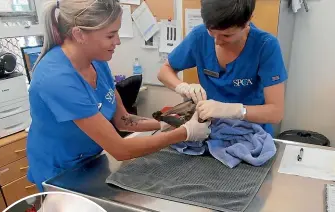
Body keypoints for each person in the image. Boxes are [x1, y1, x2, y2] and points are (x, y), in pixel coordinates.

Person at [27, 0, 211, 191]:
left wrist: (168, 123)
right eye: (110, 35)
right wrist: (185, 133)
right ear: (79, 34)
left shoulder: (97, 62)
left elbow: (123, 120)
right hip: (60, 172)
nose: (118, 41)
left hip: (91, 160)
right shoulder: (57, 78)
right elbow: (120, 150)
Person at [158, 0, 287, 135]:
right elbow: (164, 71)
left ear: (247, 21)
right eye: (211, 32)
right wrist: (183, 87)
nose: (217, 42)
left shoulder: (265, 46)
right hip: (208, 130)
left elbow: (275, 113)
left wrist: (233, 110)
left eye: (226, 35)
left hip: (251, 133)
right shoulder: (199, 36)